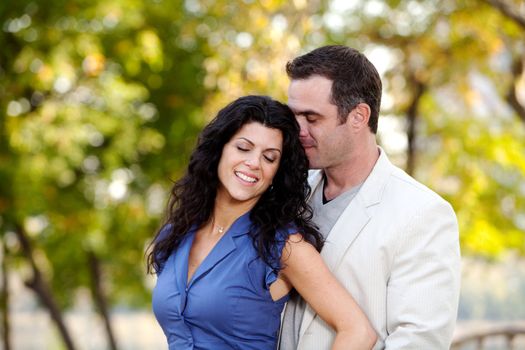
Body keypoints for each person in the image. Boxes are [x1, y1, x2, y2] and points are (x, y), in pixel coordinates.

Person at [147, 95, 377, 350]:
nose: (254, 163)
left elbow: (358, 331)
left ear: (276, 173)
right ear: (220, 149)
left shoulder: (283, 245)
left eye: (269, 158)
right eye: (243, 148)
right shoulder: (177, 233)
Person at [279, 45, 461, 349]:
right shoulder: (288, 193)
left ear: (358, 116)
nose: (297, 130)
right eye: (293, 115)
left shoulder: (424, 214)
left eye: (312, 117)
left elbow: (418, 341)